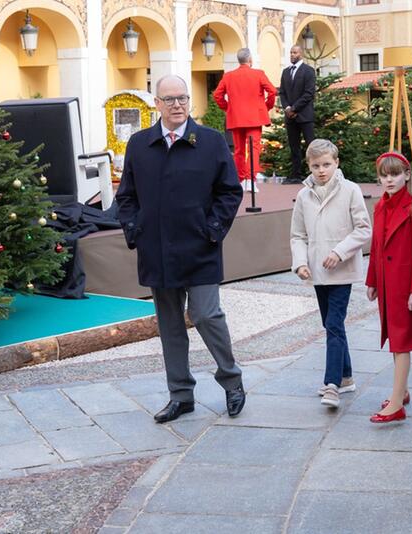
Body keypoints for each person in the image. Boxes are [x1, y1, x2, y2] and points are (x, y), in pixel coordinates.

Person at [116, 75, 246, 424]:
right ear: (156, 104)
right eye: (169, 99)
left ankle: (232, 381)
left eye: (183, 98)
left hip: (200, 248)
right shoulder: (140, 144)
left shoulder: (210, 141)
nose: (177, 105)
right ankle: (181, 395)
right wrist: (135, 230)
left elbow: (230, 192)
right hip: (156, 251)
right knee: (170, 325)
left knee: (206, 315)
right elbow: (125, 197)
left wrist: (212, 230)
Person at [290, 139, 372, 408]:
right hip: (316, 271)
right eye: (315, 166)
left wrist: (339, 252)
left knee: (334, 325)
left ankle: (332, 385)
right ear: (309, 166)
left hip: (342, 271)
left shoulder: (350, 190)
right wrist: (300, 262)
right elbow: (298, 235)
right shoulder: (304, 195)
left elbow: (363, 229)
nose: (321, 170)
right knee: (331, 324)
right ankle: (347, 377)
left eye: (326, 164)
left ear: (337, 163)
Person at [366, 152, 412, 423]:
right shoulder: (380, 207)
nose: (389, 180)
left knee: (401, 341)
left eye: (395, 174)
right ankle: (403, 390)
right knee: (396, 338)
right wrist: (372, 279)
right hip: (387, 283)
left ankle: (396, 403)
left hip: (404, 284)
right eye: (384, 175)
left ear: (407, 175)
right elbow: (376, 246)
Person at [212, 48, 277, 192]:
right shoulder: (258, 74)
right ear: (250, 60)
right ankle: (251, 180)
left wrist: (228, 108)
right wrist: (266, 106)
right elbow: (272, 91)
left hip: (236, 118)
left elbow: (217, 95)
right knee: (253, 149)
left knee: (239, 150)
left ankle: (241, 180)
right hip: (254, 117)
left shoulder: (229, 76)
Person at [279, 45, 316, 184]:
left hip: (305, 116)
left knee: (310, 146)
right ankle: (295, 175)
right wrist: (287, 108)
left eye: (295, 52)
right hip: (290, 117)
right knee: (294, 146)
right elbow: (282, 92)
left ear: (301, 54)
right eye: (290, 52)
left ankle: (313, 174)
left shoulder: (308, 71)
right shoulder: (285, 72)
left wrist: (294, 108)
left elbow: (309, 93)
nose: (292, 55)